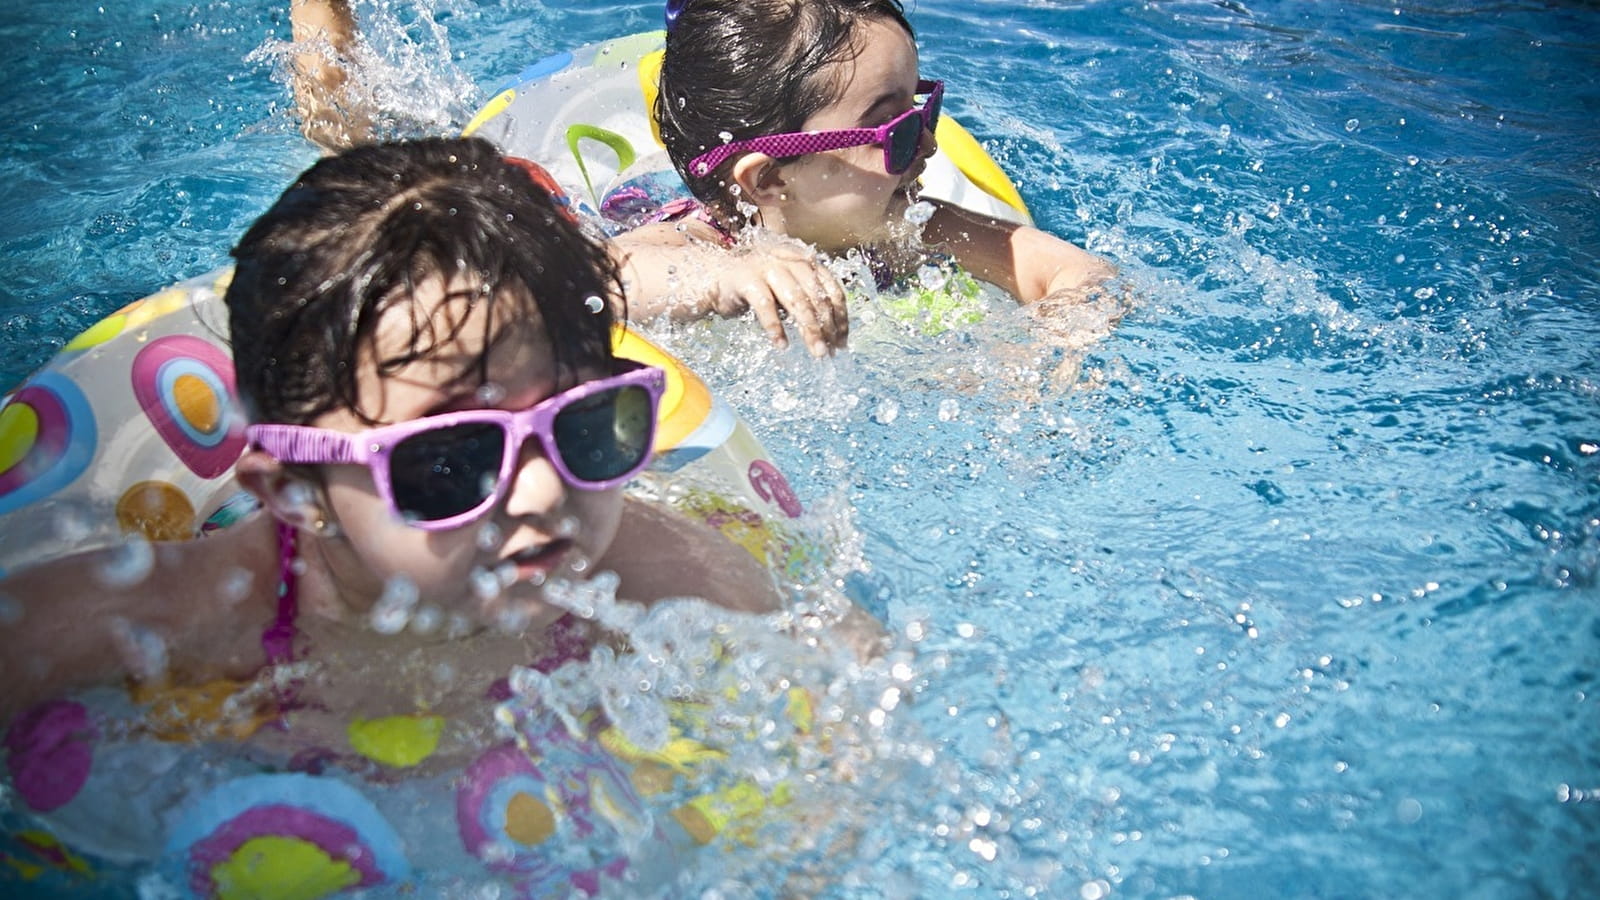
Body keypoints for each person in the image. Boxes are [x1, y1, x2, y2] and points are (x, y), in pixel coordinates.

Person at [0, 137, 782, 727]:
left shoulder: (662, 580)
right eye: (452, 459)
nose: (545, 491)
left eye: (584, 428)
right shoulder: (166, 624)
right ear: (296, 491)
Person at [283, 0, 1113, 359]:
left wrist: (1057, 345)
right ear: (768, 182)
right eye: (895, 131)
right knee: (362, 162)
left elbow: (1069, 271)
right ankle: (326, 44)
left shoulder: (917, 226)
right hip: (602, 212)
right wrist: (726, 272)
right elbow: (595, 282)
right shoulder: (697, 238)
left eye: (924, 111)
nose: (925, 148)